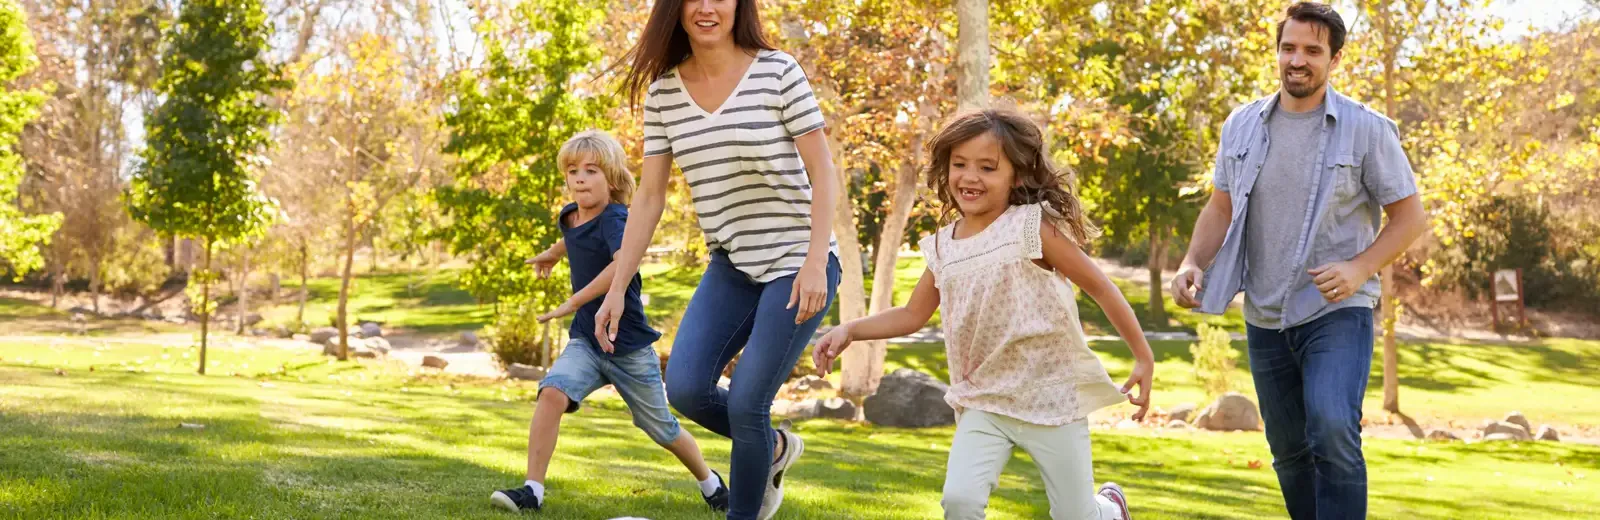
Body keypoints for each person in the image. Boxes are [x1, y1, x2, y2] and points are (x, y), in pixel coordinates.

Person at [813, 109, 1153, 520]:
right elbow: (912, 314)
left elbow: (1100, 286)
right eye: (960, 164)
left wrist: (1142, 355)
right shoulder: (943, 247)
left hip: (1049, 394)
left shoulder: (1031, 228)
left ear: (1019, 175)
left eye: (987, 167)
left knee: (1075, 516)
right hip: (984, 397)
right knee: (960, 501)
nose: (969, 177)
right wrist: (850, 329)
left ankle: (1108, 511)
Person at [1169, 3, 1427, 519]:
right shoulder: (1241, 125)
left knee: (1332, 427)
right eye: (1289, 47)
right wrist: (1191, 261)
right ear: (1278, 51)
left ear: (1334, 58)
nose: (1298, 60)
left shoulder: (1367, 129)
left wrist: (1358, 268)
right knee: (1288, 450)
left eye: (1312, 50)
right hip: (1264, 313)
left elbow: (1410, 219)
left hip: (1336, 310)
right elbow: (1220, 206)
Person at [601, 1, 843, 518]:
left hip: (797, 260)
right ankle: (773, 448)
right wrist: (618, 287)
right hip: (732, 264)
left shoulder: (778, 71)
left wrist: (816, 260)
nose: (707, 7)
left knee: (747, 402)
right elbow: (648, 198)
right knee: (685, 388)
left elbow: (823, 171)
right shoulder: (664, 92)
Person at [490, 130, 728, 513]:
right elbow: (574, 237)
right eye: (572, 171)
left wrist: (574, 300)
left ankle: (712, 484)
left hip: (628, 344)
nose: (580, 178)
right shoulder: (569, 216)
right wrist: (552, 254)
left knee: (661, 429)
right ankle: (532, 491)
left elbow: (623, 262)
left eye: (591, 171)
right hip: (587, 339)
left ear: (613, 179)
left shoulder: (618, 219)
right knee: (551, 393)